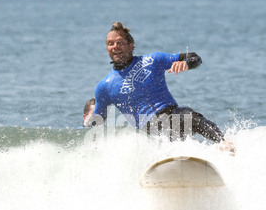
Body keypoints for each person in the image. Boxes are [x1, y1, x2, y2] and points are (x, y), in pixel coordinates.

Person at [89, 21, 235, 154]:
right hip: (147, 131)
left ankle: (224, 144)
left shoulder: (153, 60)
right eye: (110, 43)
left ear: (131, 44)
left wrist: (186, 64)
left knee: (189, 116)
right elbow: (97, 123)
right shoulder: (105, 87)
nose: (115, 47)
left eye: (120, 42)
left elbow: (195, 57)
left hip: (173, 115)